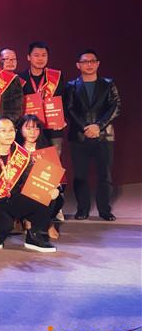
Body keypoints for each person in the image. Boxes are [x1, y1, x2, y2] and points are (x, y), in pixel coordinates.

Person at [0, 117, 57, 252]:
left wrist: (47, 187)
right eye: (3, 131)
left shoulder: (22, 155)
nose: (8, 134)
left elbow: (29, 180)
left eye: (11, 130)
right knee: (5, 223)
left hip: (14, 198)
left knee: (47, 195)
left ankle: (34, 235)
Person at [64, 49, 121, 221]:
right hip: (79, 136)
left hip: (104, 136)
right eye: (84, 61)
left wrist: (99, 126)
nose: (89, 64)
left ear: (98, 64)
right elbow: (69, 109)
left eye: (92, 61)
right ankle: (82, 209)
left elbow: (116, 107)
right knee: (80, 175)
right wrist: (85, 127)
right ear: (78, 65)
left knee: (105, 175)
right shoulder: (71, 85)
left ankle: (104, 210)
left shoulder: (108, 83)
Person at [16, 114, 62, 239]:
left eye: (36, 128)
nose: (33, 132)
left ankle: (48, 223)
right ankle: (28, 220)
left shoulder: (46, 149)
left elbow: (54, 174)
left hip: (41, 188)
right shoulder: (15, 149)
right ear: (20, 129)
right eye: (28, 128)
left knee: (54, 193)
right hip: (20, 188)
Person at [18, 41, 66, 155]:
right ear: (28, 57)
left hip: (53, 128)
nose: (40, 58)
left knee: (52, 163)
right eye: (36, 55)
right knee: (29, 161)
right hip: (30, 128)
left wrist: (62, 119)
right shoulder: (20, 78)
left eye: (44, 55)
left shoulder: (56, 76)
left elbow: (63, 100)